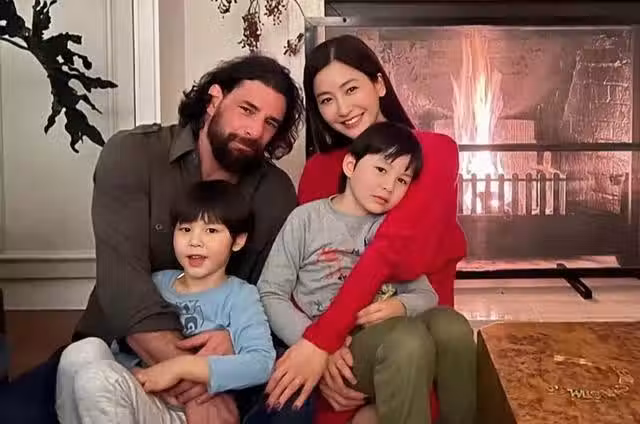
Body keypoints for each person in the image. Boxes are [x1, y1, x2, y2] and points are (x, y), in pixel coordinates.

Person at [0, 53, 307, 424]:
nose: (255, 131)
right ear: (214, 100)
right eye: (247, 110)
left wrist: (231, 343)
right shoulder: (133, 154)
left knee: (295, 407)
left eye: (270, 123)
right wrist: (193, 381)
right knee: (14, 412)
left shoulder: (274, 192)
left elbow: (267, 292)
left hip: (223, 360)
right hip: (119, 349)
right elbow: (123, 287)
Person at [265, 35, 476, 424]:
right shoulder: (318, 171)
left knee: (451, 330)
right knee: (407, 344)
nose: (343, 109)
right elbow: (299, 278)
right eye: (326, 100)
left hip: (418, 333)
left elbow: (393, 255)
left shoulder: (431, 151)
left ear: (379, 84)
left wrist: (320, 342)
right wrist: (321, 347)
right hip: (352, 350)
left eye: (351, 89)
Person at [259, 122, 445, 424]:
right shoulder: (306, 219)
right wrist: (315, 344)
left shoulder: (391, 229)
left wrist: (401, 305)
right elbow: (270, 292)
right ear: (350, 165)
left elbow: (426, 294)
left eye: (402, 180)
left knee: (418, 335)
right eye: (381, 170)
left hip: (377, 345)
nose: (389, 186)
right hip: (324, 346)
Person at [56, 180, 276, 424]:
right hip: (142, 394)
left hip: (189, 412)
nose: (195, 241)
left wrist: (181, 367)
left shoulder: (241, 295)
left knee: (96, 379)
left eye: (211, 231)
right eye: (185, 229)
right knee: (81, 352)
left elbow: (261, 363)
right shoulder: (157, 283)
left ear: (238, 241)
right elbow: (122, 349)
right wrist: (134, 372)